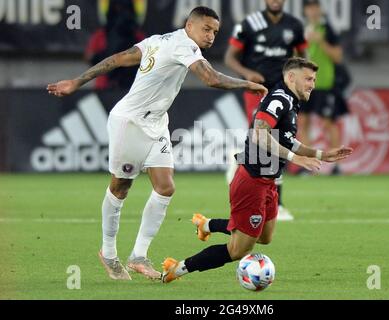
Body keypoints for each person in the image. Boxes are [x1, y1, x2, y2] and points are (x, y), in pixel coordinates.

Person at [47, 7, 267, 281]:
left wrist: (77, 81)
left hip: (157, 123)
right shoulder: (184, 46)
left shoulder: (158, 40)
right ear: (190, 26)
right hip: (130, 122)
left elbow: (117, 58)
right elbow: (211, 78)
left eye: (215, 32)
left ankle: (139, 256)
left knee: (165, 187)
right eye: (206, 29)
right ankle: (109, 252)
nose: (211, 36)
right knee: (120, 187)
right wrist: (247, 84)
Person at [161, 58, 353, 284]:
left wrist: (321, 155)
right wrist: (296, 159)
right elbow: (260, 135)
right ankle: (177, 268)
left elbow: (287, 139)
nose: (312, 84)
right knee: (237, 251)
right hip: (251, 182)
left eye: (314, 79)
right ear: (291, 77)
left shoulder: (291, 101)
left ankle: (206, 224)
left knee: (265, 236)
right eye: (308, 79)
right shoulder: (278, 100)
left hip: (268, 181)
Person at [224, 0, 308, 221]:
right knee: (268, 141)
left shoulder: (295, 25)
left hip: (283, 92)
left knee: (277, 141)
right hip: (258, 91)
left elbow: (302, 58)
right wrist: (247, 73)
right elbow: (229, 58)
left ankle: (270, 199)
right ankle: (276, 204)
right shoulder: (250, 23)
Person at [298, 0, 348, 176]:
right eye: (309, 7)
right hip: (302, 85)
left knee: (328, 123)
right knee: (302, 122)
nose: (312, 10)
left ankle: (337, 167)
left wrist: (321, 42)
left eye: (315, 6)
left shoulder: (328, 30)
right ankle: (310, 167)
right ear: (305, 10)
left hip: (324, 83)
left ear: (320, 9)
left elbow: (338, 57)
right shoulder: (299, 29)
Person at [85, 0, 146, 90]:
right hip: (105, 87)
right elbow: (89, 56)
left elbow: (148, 57)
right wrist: (105, 57)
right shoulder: (101, 35)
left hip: (131, 86)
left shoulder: (138, 36)